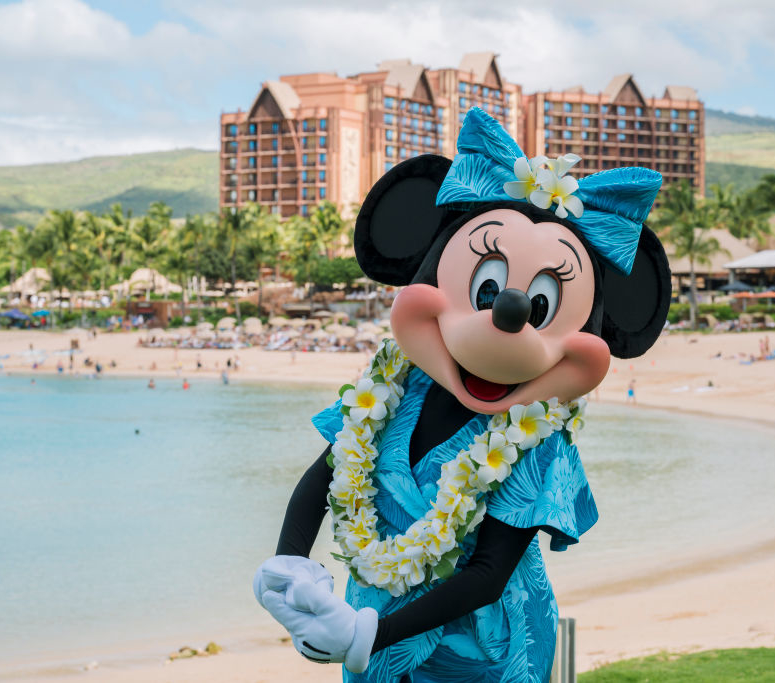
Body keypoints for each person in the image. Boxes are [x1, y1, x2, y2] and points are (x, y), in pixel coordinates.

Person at [254, 108, 671, 680]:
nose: (509, 310)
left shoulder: (539, 436)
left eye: (541, 305)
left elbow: (488, 573)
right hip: (370, 633)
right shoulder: (396, 387)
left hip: (488, 656)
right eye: (490, 287)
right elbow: (325, 474)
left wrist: (365, 635)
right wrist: (290, 567)